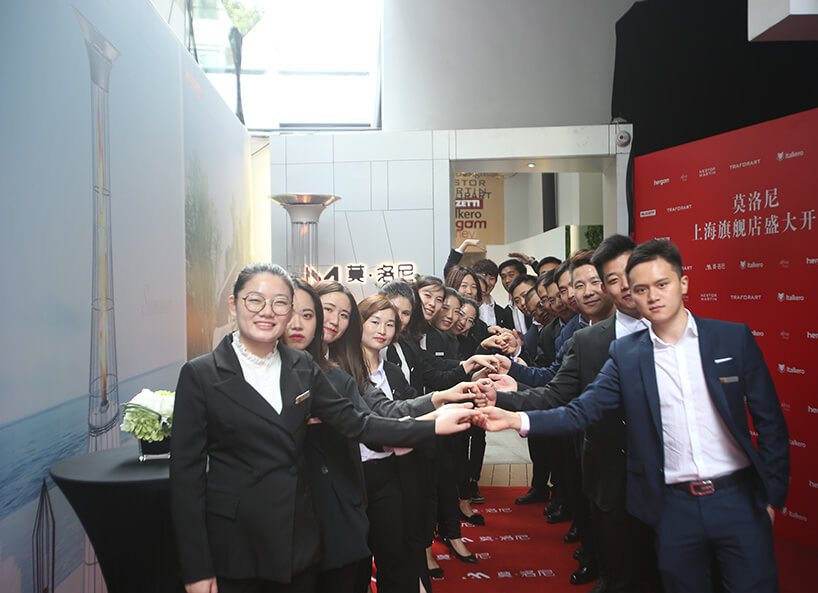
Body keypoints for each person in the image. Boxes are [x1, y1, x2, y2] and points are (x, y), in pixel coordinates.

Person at [476, 240, 790, 593]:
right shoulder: (626, 353)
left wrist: (771, 497)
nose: (652, 296)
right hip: (672, 505)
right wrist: (516, 419)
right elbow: (581, 410)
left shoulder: (731, 338)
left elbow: (770, 423)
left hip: (738, 499)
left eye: (662, 284)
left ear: (683, 283)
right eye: (639, 289)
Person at [170, 263, 480, 593]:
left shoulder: (302, 366)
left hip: (298, 539)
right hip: (236, 545)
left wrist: (432, 426)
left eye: (280, 303)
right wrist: (197, 569)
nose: (268, 311)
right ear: (234, 305)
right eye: (255, 300)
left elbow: (359, 423)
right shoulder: (201, 375)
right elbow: (187, 481)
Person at [283, 279, 475, 592]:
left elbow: (369, 420)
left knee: (380, 559)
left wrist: (434, 414)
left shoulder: (336, 372)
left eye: (344, 315)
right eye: (324, 310)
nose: (333, 320)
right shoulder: (318, 367)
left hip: (363, 478)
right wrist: (433, 418)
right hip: (299, 498)